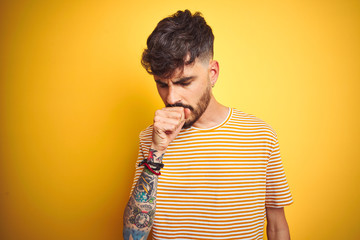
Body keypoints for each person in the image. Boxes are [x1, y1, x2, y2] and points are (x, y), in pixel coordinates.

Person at [123, 9, 293, 240]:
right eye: (162, 84)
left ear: (212, 73)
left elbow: (276, 225)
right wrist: (157, 152)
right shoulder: (150, 139)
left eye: (184, 82)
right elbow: (134, 235)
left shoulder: (260, 136)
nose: (171, 98)